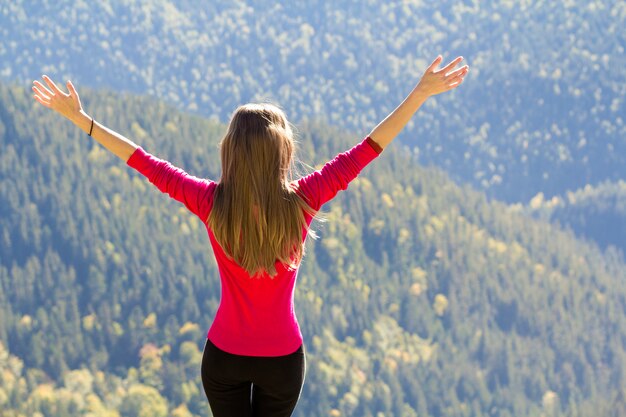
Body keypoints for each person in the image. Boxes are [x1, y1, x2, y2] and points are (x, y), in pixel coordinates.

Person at [32, 55, 468, 417]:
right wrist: (420, 94)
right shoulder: (304, 200)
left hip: (224, 357)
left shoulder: (210, 202)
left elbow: (143, 161)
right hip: (283, 359)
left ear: (231, 152)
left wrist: (82, 120)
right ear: (284, 153)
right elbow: (369, 148)